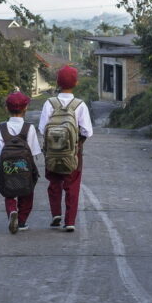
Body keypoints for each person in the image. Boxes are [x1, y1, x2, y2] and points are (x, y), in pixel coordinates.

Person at [38, 66, 93, 232]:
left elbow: (42, 128)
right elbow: (87, 131)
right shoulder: (80, 105)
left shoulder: (49, 103)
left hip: (52, 153)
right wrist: (77, 144)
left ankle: (56, 213)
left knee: (54, 182)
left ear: (57, 82)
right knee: (72, 185)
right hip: (73, 152)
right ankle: (69, 221)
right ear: (76, 83)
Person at [0, 91, 40, 234]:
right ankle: (21, 221)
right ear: (25, 108)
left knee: (9, 193)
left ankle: (12, 210)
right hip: (25, 168)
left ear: (7, 108)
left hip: (7, 168)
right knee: (27, 193)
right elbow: (33, 151)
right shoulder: (29, 128)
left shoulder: (2, 128)